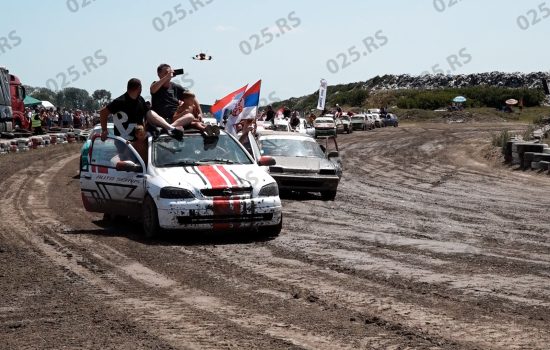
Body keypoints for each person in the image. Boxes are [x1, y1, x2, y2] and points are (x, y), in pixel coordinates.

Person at [99, 78, 182, 142]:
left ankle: (170, 128)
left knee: (150, 112)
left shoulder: (140, 100)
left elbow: (149, 115)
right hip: (123, 142)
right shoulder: (120, 101)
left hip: (139, 139)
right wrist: (104, 130)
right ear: (139, 88)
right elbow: (103, 112)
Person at [150, 63, 215, 136]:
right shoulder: (155, 84)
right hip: (160, 119)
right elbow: (153, 90)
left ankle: (169, 128)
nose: (168, 74)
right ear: (159, 74)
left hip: (175, 119)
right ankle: (170, 128)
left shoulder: (175, 87)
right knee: (150, 113)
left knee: (190, 116)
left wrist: (200, 113)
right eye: (165, 73)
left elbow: (192, 97)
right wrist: (167, 77)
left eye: (169, 72)